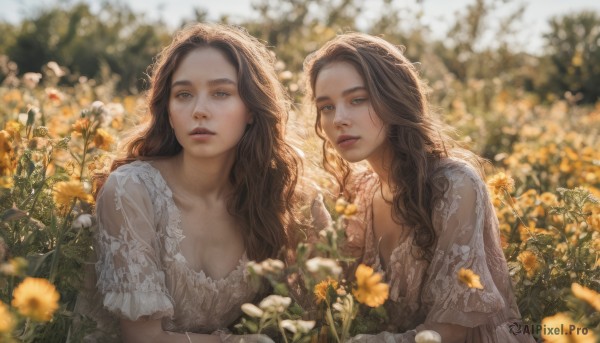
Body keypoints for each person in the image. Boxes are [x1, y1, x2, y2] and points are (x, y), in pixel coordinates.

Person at [303, 32, 535, 343]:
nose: (339, 119)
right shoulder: (360, 192)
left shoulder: (453, 185)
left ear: (394, 97)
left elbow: (452, 331)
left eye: (357, 100)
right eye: (326, 107)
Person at [82, 23, 300, 342]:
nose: (199, 111)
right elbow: (142, 338)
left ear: (251, 110)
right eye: (183, 94)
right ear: (168, 112)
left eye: (221, 93)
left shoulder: (267, 198)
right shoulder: (132, 190)